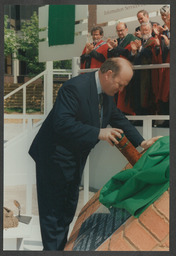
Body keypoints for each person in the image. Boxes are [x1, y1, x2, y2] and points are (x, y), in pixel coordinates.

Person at [29, 57, 161, 251]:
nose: (121, 90)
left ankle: (57, 248)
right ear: (108, 74)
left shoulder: (106, 91)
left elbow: (117, 117)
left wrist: (141, 141)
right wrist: (99, 133)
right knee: (53, 213)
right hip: (53, 157)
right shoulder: (74, 87)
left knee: (67, 210)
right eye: (120, 84)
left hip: (74, 157)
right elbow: (61, 123)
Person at [107, 22, 139, 115]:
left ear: (126, 29)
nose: (120, 33)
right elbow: (111, 57)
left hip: (129, 73)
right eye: (118, 31)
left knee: (127, 99)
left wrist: (116, 48)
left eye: (121, 30)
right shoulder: (116, 41)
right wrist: (110, 49)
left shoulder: (133, 39)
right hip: (117, 73)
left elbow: (130, 55)